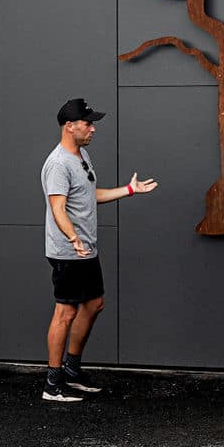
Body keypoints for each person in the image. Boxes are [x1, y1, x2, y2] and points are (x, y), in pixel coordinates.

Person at [40, 97, 157, 403]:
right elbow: (58, 208)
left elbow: (89, 195)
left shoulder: (82, 156)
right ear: (70, 126)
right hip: (68, 252)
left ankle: (72, 370)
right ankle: (52, 384)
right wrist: (73, 238)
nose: (93, 129)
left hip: (86, 250)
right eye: (88, 123)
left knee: (93, 304)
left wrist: (129, 190)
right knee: (65, 311)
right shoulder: (58, 164)